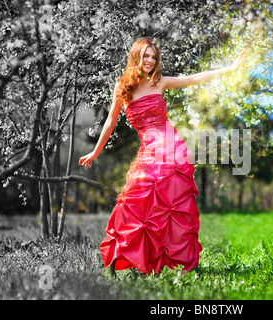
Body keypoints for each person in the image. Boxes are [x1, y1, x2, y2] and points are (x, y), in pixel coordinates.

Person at [79, 37, 246, 276]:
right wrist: (95, 151)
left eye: (154, 57)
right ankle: (119, 259)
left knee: (173, 206)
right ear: (136, 56)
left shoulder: (160, 82)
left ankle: (183, 263)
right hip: (149, 150)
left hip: (172, 150)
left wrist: (229, 69)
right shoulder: (122, 87)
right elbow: (110, 121)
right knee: (134, 200)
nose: (150, 61)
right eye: (146, 56)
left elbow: (195, 78)